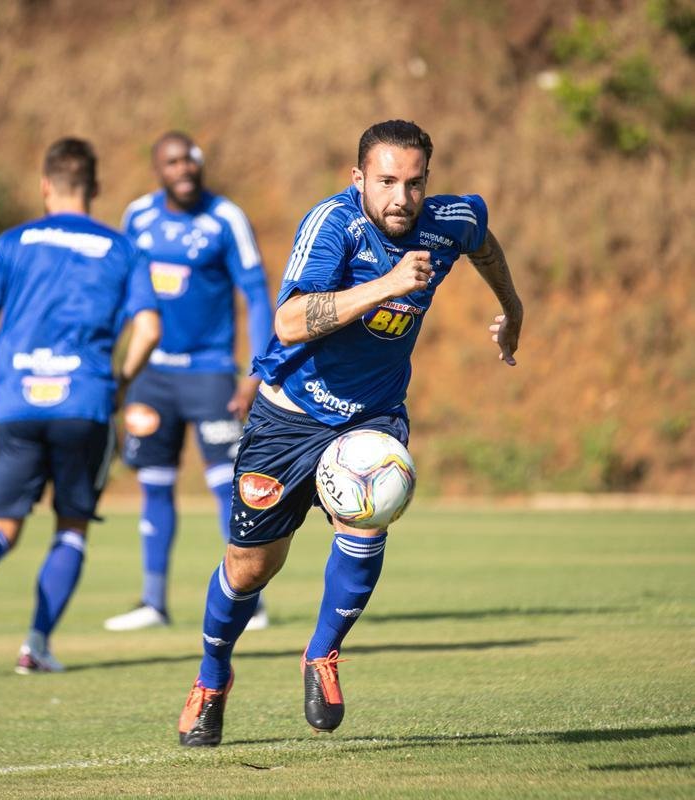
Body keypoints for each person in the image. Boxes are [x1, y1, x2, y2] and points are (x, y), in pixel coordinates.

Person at [177, 119, 524, 746]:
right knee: (250, 567)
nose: (401, 198)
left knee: (370, 514)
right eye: (386, 181)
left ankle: (322, 654)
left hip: (372, 416)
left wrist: (513, 305)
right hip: (289, 415)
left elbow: (484, 242)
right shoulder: (333, 225)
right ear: (358, 177)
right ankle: (211, 677)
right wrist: (387, 285)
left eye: (414, 184)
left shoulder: (449, 220)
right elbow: (286, 322)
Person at [0, 138, 160, 673]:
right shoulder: (122, 249)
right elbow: (149, 329)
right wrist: (120, 382)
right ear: (95, 189)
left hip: (16, 401)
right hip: (83, 401)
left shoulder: (12, 242)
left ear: (44, 188)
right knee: (70, 527)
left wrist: (7, 363)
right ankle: (35, 644)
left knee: (1, 524)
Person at [102, 132, 274, 633]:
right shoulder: (137, 217)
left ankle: (251, 601)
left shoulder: (226, 218)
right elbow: (120, 294)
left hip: (211, 372)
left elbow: (256, 295)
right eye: (173, 162)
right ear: (158, 168)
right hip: (152, 377)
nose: (184, 169)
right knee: (153, 485)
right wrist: (114, 363)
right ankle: (153, 602)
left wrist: (256, 369)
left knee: (231, 488)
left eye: (191, 160)